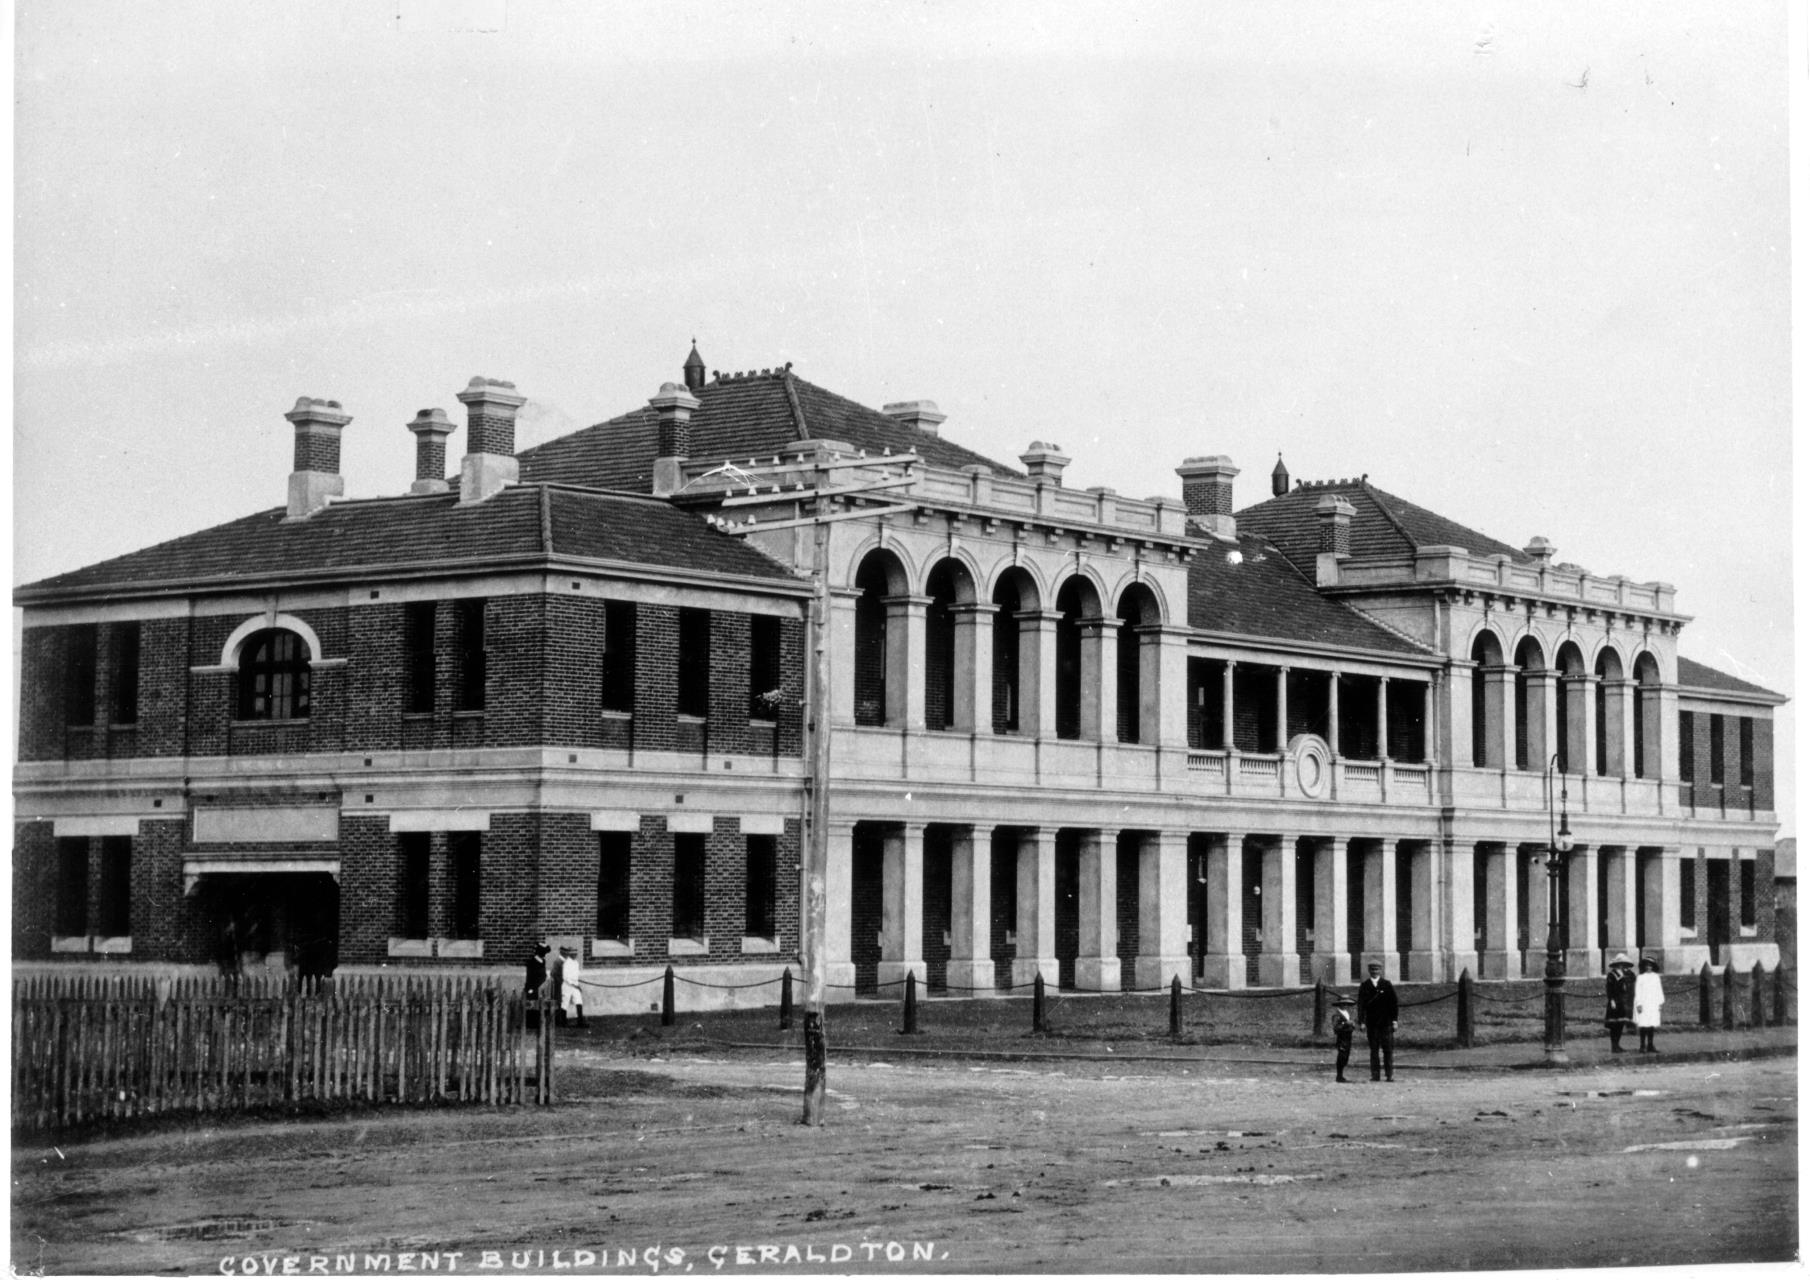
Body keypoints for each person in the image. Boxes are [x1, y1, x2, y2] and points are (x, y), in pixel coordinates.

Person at [1357, 961, 1398, 1081]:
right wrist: (1362, 1021)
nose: (1375, 972)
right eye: (1372, 970)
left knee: (1388, 1049)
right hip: (1372, 1023)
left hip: (1386, 1022)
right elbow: (1361, 1005)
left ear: (1381, 971)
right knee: (1374, 1050)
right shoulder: (1365, 985)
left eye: (1377, 970)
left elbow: (1393, 1004)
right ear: (1369, 971)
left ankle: (1389, 1075)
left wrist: (1394, 1021)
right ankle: (1375, 1075)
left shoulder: (1386, 984)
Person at [1603, 953, 1636, 1053]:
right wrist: (1612, 1000)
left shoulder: (1626, 974)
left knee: (1620, 1023)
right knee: (1614, 1025)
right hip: (1615, 1001)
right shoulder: (1612, 975)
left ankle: (1618, 1044)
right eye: (1619, 964)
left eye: (1623, 964)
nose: (1621, 966)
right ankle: (1614, 1045)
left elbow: (1633, 979)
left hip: (1622, 1002)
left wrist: (1628, 972)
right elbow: (1609, 989)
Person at [1633, 955, 1665, 1053]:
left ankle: (1650, 1045)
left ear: (1653, 967)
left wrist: (1660, 1002)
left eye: (1650, 966)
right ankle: (1642, 1045)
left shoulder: (1656, 977)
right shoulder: (1640, 977)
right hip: (1644, 1003)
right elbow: (1637, 991)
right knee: (1643, 1025)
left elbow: (1659, 990)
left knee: (1651, 1024)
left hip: (1653, 1003)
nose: (1648, 967)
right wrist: (1639, 1003)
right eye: (1646, 966)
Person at [559, 946, 588, 1030]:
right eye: (573, 954)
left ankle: (580, 1021)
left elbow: (576, 975)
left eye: (575, 953)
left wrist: (577, 984)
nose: (575, 955)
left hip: (575, 986)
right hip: (567, 986)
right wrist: (574, 984)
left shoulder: (576, 963)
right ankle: (563, 1022)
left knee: (579, 1000)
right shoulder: (566, 963)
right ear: (569, 954)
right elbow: (565, 977)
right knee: (565, 1002)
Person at [1331, 995, 1358, 1083]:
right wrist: (1346, 1024)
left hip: (1348, 1036)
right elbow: (1336, 1027)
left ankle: (1341, 1074)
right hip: (1341, 1037)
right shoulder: (1337, 1014)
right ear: (1340, 1004)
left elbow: (1351, 1024)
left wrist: (1352, 1025)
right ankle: (1339, 1075)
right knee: (1342, 1055)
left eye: (1347, 1004)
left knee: (1346, 1055)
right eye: (1343, 1003)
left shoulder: (1347, 1013)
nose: (1345, 1005)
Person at [525, 942, 550, 1030]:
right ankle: (530, 1023)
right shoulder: (532, 962)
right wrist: (530, 988)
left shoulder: (543, 961)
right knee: (532, 1003)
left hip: (541, 986)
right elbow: (530, 976)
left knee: (541, 1003)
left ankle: (538, 1022)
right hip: (533, 986)